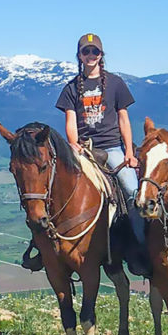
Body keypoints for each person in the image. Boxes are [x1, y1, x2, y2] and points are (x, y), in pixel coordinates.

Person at [54, 33, 149, 275]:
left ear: (101, 55)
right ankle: (45, 246)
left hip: (112, 147)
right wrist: (73, 144)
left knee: (132, 190)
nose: (90, 56)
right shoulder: (71, 88)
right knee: (57, 186)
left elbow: (124, 119)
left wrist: (129, 151)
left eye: (94, 52)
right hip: (85, 148)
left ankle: (141, 246)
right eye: (86, 52)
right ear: (79, 56)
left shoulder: (116, 84)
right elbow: (70, 119)